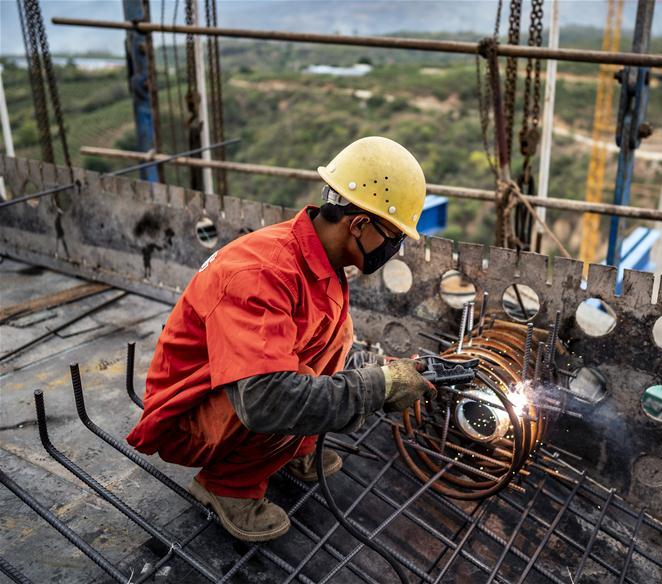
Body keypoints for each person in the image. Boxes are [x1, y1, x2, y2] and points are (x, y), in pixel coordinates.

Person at [126, 136, 435, 542]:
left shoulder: (319, 259)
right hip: (191, 418)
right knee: (282, 392)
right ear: (358, 223)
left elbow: (320, 353)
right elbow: (268, 399)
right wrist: (380, 386)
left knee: (332, 335)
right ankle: (227, 486)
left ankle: (295, 449)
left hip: (239, 393)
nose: (394, 250)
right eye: (393, 238)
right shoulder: (260, 274)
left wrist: (382, 373)